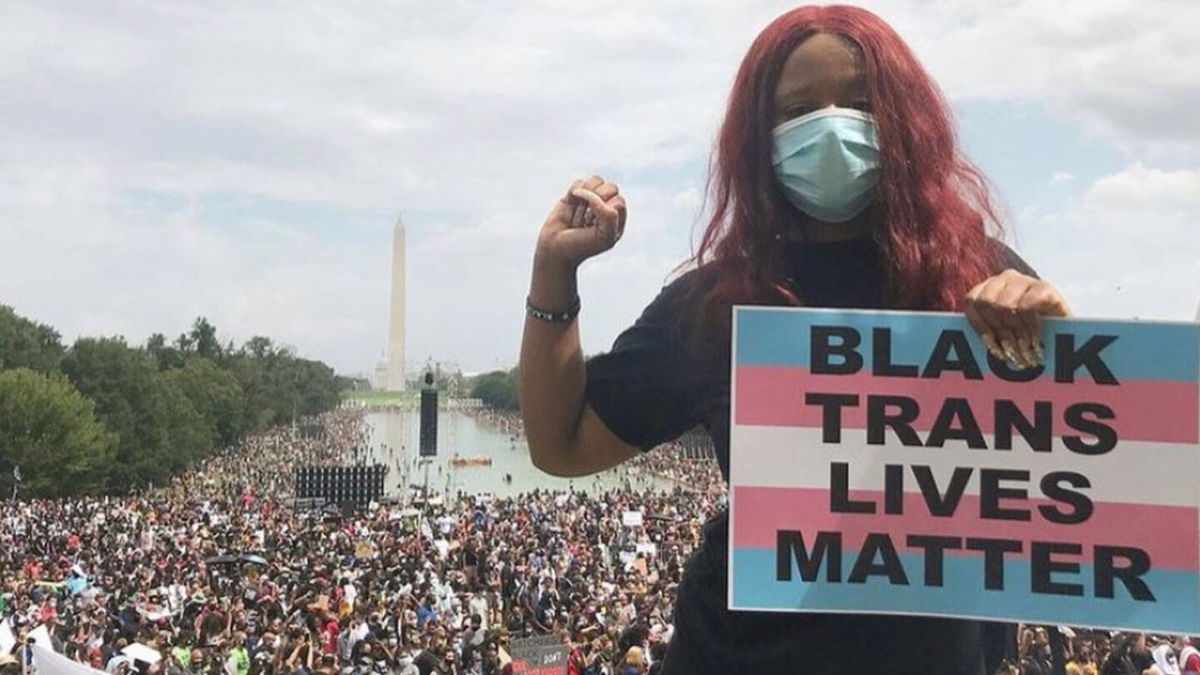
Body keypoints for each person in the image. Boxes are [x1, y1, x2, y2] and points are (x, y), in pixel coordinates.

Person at [517, 5, 1071, 674]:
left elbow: (1079, 476)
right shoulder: (717, 306)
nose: (832, 126)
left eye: (861, 102)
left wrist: (1060, 348)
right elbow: (564, 443)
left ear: (906, 123)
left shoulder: (978, 282)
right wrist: (555, 268)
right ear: (759, 138)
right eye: (798, 109)